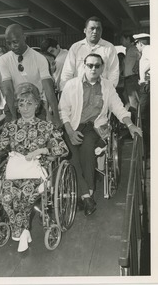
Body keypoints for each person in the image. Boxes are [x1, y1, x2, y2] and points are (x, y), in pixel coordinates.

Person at [59, 53, 142, 216]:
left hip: (95, 128)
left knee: (87, 149)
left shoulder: (107, 86)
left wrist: (130, 125)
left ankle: (86, 194)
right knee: (71, 155)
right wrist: (70, 131)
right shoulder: (71, 85)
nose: (93, 68)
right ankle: (87, 195)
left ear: (102, 68)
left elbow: (118, 107)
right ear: (84, 65)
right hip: (72, 127)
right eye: (90, 65)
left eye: (97, 65)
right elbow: (63, 111)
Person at [0, 83, 68, 252]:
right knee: (7, 196)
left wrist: (41, 150)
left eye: (29, 104)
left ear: (37, 105)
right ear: (17, 106)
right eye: (21, 104)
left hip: (36, 169)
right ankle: (23, 231)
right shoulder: (10, 127)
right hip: (13, 170)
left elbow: (63, 149)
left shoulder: (46, 127)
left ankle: (21, 233)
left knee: (25, 195)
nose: (25, 108)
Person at [0, 24, 62, 127]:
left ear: (24, 37)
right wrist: (14, 116)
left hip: (36, 106)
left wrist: (56, 117)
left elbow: (48, 89)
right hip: (13, 105)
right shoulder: (3, 60)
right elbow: (8, 90)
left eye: (15, 42)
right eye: (9, 43)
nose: (12, 46)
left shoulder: (40, 58)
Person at [60, 16, 119, 91]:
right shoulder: (75, 48)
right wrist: (65, 90)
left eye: (98, 29)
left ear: (101, 31)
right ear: (85, 30)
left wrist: (109, 91)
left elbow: (114, 72)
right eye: (92, 28)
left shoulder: (109, 48)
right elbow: (67, 71)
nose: (95, 31)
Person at [133, 33, 150, 158]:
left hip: (148, 86)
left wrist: (144, 75)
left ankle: (145, 152)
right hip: (146, 84)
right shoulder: (146, 52)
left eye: (136, 44)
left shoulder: (148, 49)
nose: (137, 47)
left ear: (140, 43)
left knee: (143, 118)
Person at [120, 33, 140, 111]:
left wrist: (136, 66)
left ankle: (137, 121)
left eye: (122, 39)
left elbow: (139, 56)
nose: (121, 41)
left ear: (128, 39)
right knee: (127, 100)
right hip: (127, 79)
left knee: (134, 102)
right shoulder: (128, 50)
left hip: (132, 78)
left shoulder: (134, 48)